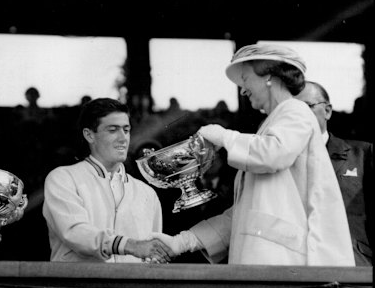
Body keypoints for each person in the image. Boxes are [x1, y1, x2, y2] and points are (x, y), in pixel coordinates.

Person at [151, 44, 355, 266]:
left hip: (284, 265)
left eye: (245, 79)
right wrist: (182, 242)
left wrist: (223, 137)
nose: (242, 90)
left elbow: (273, 154)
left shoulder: (295, 111)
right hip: (264, 264)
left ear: (268, 76)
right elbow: (244, 215)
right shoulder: (272, 124)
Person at [42, 97, 173, 263]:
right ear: (89, 135)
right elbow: (75, 232)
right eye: (113, 130)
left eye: (126, 130)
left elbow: (153, 255)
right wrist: (129, 245)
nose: (123, 138)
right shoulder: (63, 178)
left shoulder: (147, 192)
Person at [296, 81, 373, 266]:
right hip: (296, 269)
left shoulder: (362, 154)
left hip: (353, 267)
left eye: (306, 107)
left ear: (327, 111)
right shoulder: (277, 161)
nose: (297, 116)